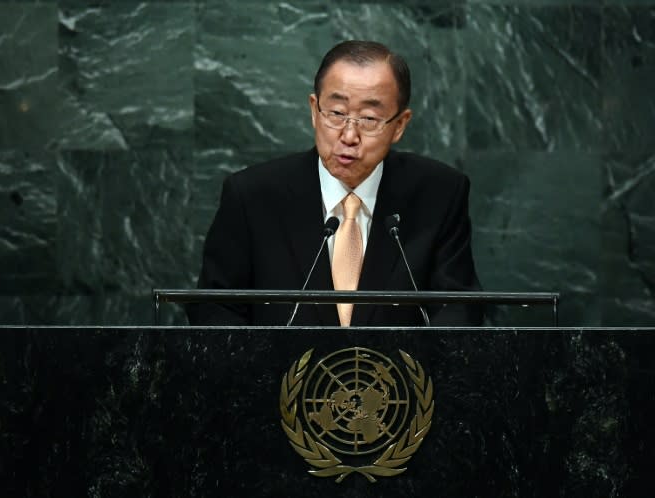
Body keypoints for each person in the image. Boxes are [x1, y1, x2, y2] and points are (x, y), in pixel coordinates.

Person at [187, 40, 483, 327]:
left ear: (399, 125)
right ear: (314, 110)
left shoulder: (439, 195)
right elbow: (215, 310)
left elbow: (458, 312)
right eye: (337, 114)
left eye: (369, 118)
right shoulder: (253, 196)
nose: (349, 136)